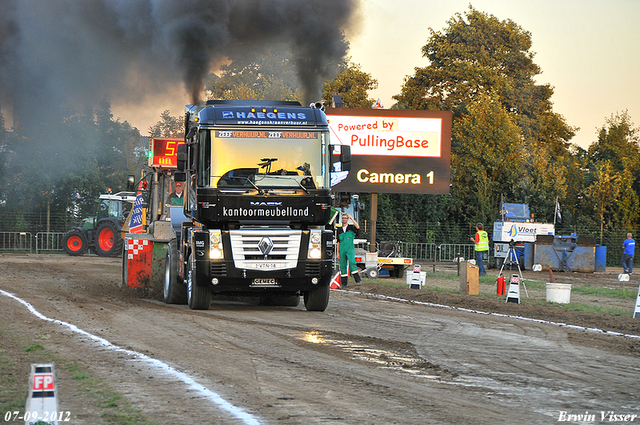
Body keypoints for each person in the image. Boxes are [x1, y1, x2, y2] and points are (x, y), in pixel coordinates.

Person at [336, 213, 362, 287]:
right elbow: (338, 242)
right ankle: (344, 284)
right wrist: (338, 252)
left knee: (352, 262)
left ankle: (358, 280)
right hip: (342, 249)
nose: (344, 219)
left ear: (347, 219)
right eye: (343, 218)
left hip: (349, 249)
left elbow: (358, 227)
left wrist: (351, 218)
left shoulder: (351, 228)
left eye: (345, 218)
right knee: (342, 265)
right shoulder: (339, 230)